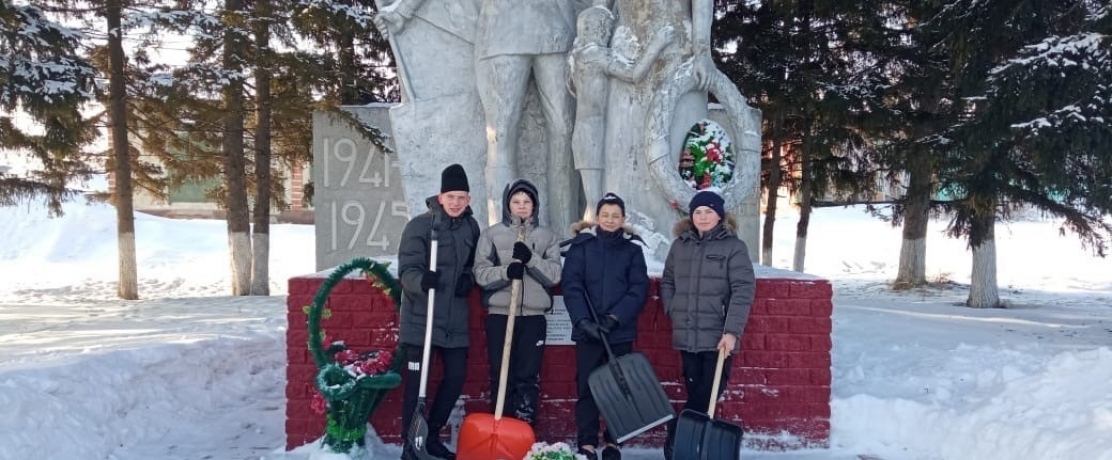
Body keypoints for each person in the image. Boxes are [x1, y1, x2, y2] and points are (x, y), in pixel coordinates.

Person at [659, 189, 755, 460]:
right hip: (687, 332)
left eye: (708, 212)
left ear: (719, 215)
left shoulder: (734, 247)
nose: (702, 217)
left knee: (710, 389)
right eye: (698, 212)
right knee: (695, 389)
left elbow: (743, 290)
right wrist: (673, 308)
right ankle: (691, 447)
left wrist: (732, 332)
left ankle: (678, 432)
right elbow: (668, 281)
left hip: (718, 334)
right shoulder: (680, 245)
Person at [398, 164, 481, 460]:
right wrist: (421, 281)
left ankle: (430, 435)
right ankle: (411, 444)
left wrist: (469, 277)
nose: (456, 203)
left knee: (456, 377)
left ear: (469, 199)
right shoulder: (420, 226)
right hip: (422, 317)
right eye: (451, 196)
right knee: (416, 384)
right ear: (440, 196)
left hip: (454, 319)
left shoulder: (471, 228)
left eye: (461, 197)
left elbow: (475, 264)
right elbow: (407, 269)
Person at [560, 192, 650, 460]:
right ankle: (587, 443)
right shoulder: (581, 247)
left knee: (619, 389)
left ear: (623, 219)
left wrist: (615, 318)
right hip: (588, 332)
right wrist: (583, 321)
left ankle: (613, 442)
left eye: (615, 215)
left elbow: (638, 288)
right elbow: (572, 286)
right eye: (605, 215)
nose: (610, 220)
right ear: (597, 217)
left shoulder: (632, 251)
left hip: (619, 331)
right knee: (587, 387)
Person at [568, 4, 673, 217]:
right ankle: (590, 236)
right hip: (592, 135)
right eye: (605, 29)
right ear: (593, 29)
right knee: (595, 203)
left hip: (585, 133)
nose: (608, 34)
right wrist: (657, 44)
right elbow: (633, 74)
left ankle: (592, 234)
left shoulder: (578, 57)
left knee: (594, 201)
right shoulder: (596, 55)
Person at [472, 179, 563, 425]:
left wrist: (531, 259)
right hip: (500, 315)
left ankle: (524, 427)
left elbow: (555, 275)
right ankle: (501, 425)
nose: (521, 206)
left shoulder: (547, 236)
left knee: (528, 376)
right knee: (501, 374)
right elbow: (480, 273)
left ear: (534, 205)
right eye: (516, 201)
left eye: (527, 201)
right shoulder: (491, 235)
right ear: (507, 204)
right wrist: (506, 272)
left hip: (533, 318)